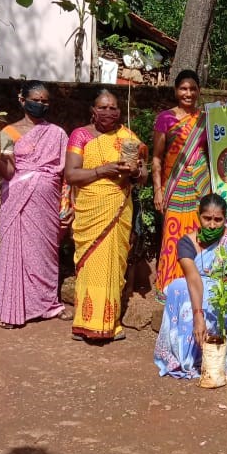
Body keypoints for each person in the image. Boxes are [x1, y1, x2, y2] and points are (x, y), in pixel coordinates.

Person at [0, 80, 70, 329]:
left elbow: (67, 174)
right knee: (16, 252)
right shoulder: (8, 133)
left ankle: (48, 304)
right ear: (22, 100)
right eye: (36, 100)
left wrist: (68, 204)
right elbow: (9, 172)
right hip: (17, 200)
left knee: (45, 253)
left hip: (47, 201)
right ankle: (13, 308)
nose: (41, 104)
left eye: (45, 101)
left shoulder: (57, 133)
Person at [64, 89, 148, 341]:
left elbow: (143, 175)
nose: (108, 112)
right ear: (93, 110)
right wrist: (103, 170)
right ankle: (85, 322)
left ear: (120, 112)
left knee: (113, 264)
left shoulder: (128, 138)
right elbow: (71, 174)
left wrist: (134, 172)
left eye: (113, 108)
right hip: (91, 210)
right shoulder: (80, 136)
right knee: (90, 264)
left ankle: (110, 324)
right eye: (102, 107)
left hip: (118, 208)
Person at [154, 193, 227, 378]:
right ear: (198, 216)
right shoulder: (187, 243)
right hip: (200, 288)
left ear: (225, 219)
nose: (212, 225)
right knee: (178, 287)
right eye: (207, 218)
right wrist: (198, 316)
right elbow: (193, 279)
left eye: (218, 220)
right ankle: (189, 354)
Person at [153, 69, 211, 300]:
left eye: (193, 89)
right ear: (176, 91)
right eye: (183, 88)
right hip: (174, 185)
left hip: (200, 185)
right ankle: (169, 284)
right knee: (173, 233)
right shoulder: (165, 119)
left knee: (199, 231)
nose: (188, 93)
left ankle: (196, 283)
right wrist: (157, 190)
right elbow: (157, 158)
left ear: (199, 91)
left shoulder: (206, 119)